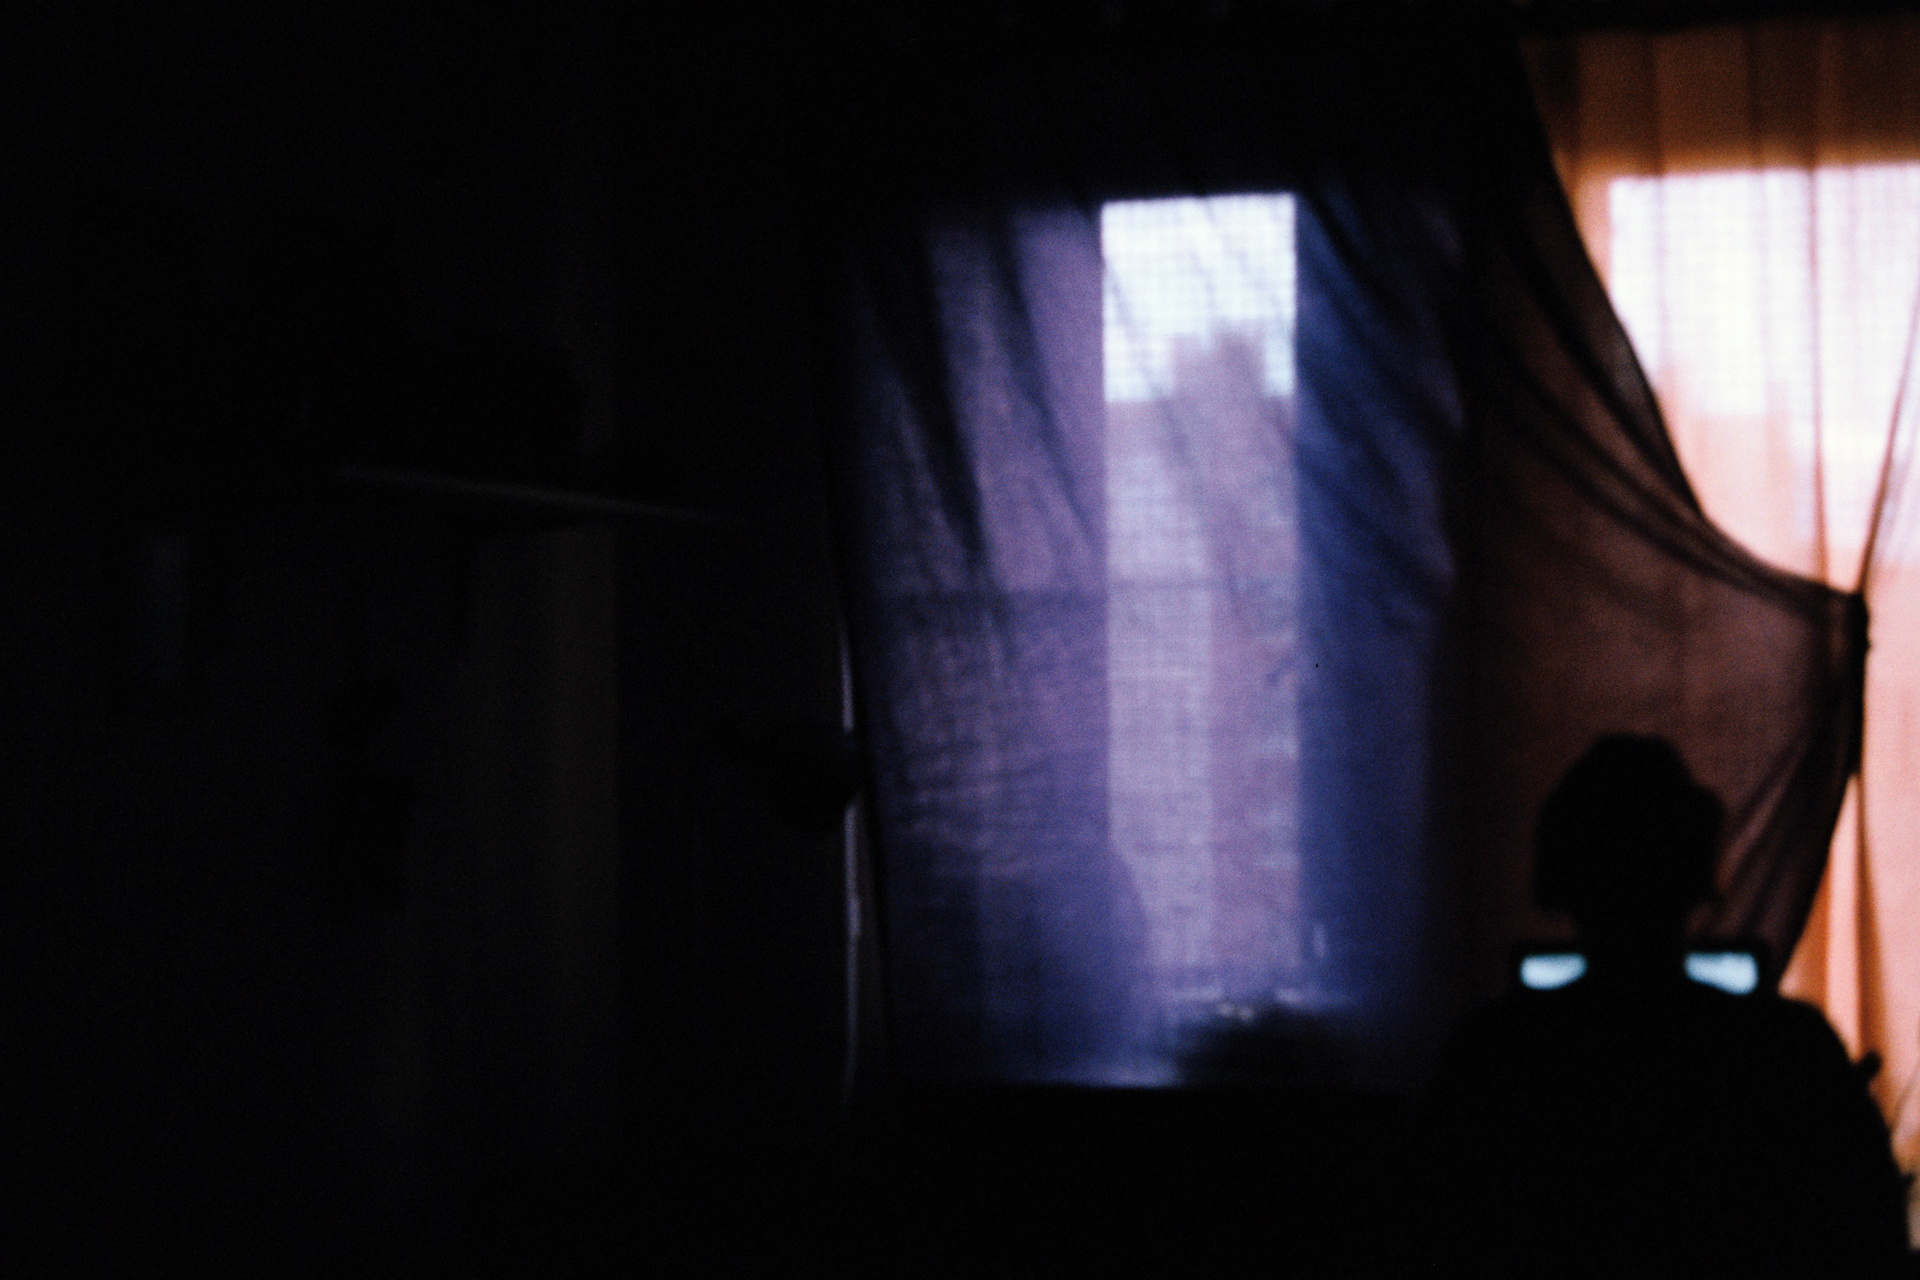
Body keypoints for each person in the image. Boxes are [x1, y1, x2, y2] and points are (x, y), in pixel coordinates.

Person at [1422, 735, 1910, 1278]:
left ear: (1558, 874)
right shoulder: (1791, 1052)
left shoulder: (1493, 1057)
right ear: (1697, 872)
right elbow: (1873, 1240)